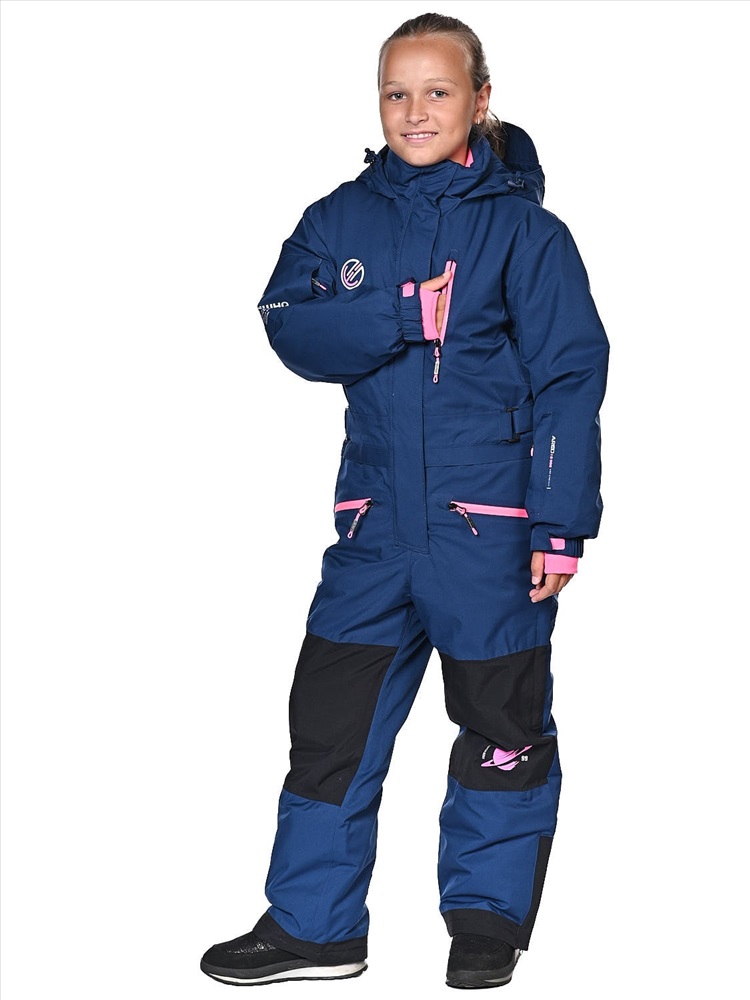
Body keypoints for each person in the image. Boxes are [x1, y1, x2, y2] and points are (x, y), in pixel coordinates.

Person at [201, 11, 609, 990]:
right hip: (375, 529)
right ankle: (315, 927)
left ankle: (484, 922)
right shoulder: (340, 219)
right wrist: (397, 311)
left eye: (437, 91)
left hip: (488, 531)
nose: (415, 111)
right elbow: (288, 324)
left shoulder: (527, 233)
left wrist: (560, 523)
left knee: (501, 730)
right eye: (396, 92)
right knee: (331, 724)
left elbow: (570, 378)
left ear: (480, 98)